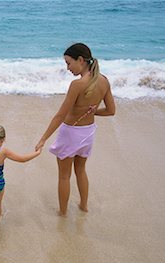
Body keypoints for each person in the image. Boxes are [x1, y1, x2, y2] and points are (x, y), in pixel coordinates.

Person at [35, 43, 115, 216]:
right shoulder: (104, 81)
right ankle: (83, 206)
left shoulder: (77, 84)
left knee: (64, 176)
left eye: (68, 63)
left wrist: (43, 139)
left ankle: (63, 212)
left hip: (71, 133)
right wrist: (95, 111)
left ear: (81, 60)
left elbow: (60, 115)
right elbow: (111, 111)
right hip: (88, 132)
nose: (67, 68)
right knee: (81, 170)